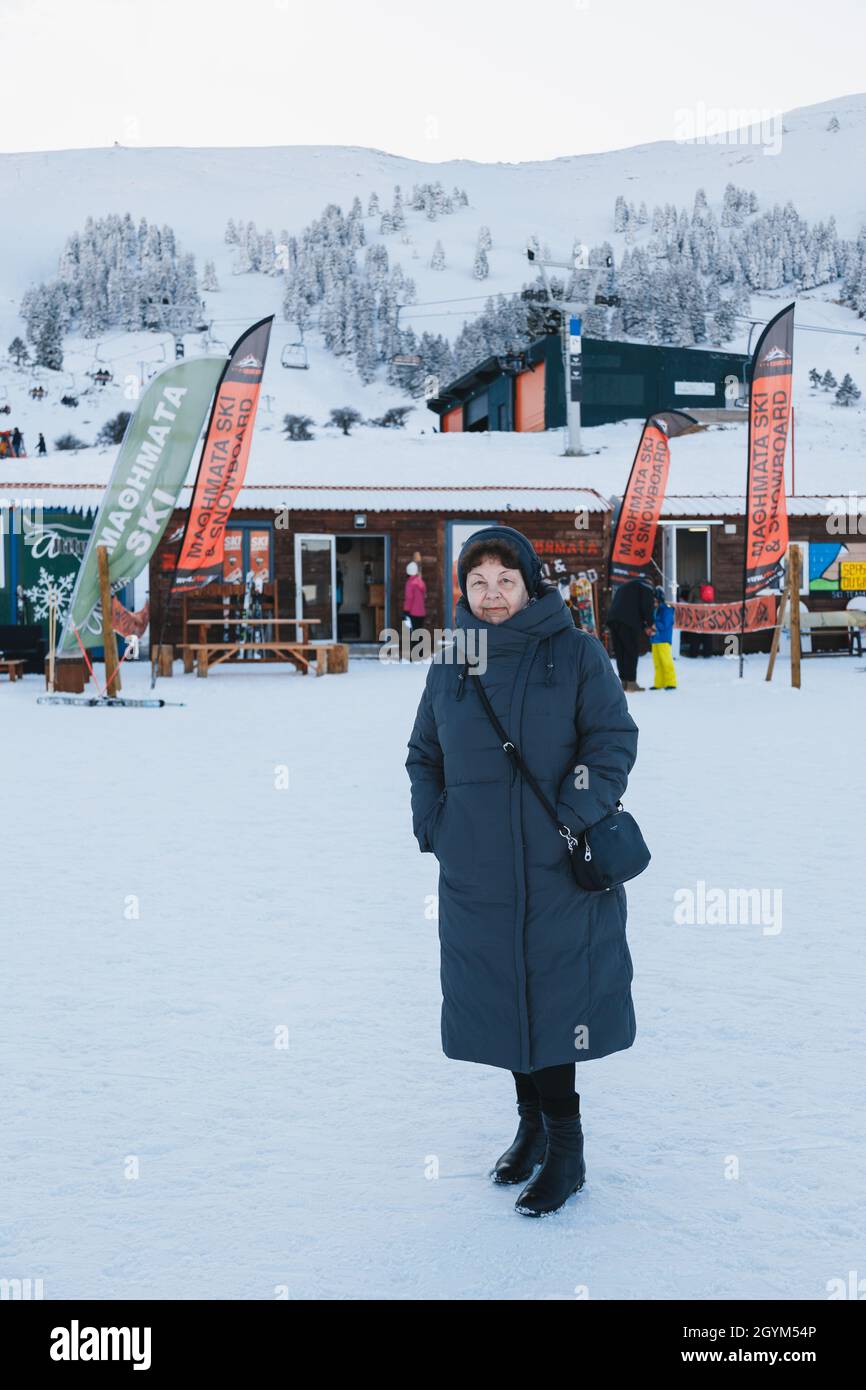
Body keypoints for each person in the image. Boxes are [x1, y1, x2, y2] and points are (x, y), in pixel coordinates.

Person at [405, 525, 639, 1217]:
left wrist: (573, 809)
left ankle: (567, 1146)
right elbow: (424, 755)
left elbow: (612, 738)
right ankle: (530, 1125)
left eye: (505, 580)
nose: (492, 595)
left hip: (556, 864)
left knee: (554, 999)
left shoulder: (576, 653)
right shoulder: (450, 663)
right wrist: (436, 825)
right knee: (502, 995)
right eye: (478, 583)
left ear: (529, 582)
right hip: (476, 870)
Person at [605, 576, 656, 691]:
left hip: (613, 620)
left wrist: (644, 625)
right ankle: (631, 683)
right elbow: (646, 606)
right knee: (631, 651)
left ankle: (624, 682)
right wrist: (650, 624)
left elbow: (634, 607)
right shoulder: (646, 586)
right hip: (628, 622)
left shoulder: (626, 587)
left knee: (621, 652)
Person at [650, 586, 677, 689]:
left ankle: (671, 682)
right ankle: (659, 683)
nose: (654, 602)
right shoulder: (655, 610)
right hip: (655, 639)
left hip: (663, 639)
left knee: (666, 661)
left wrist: (654, 625)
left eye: (655, 600)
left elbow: (665, 624)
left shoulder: (666, 609)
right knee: (657, 663)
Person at [401, 560, 427, 632]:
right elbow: (424, 596)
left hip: (412, 613)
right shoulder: (421, 582)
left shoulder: (410, 583)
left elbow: (409, 598)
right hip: (422, 613)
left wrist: (406, 611)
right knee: (419, 633)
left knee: (412, 633)